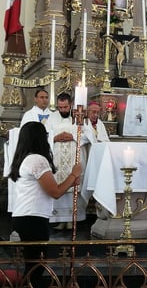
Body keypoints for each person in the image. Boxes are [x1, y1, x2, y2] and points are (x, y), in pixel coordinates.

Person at [9, 122, 81, 286]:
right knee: (36, 267)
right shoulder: (37, 160)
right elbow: (55, 192)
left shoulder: (25, 158)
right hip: (32, 218)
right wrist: (73, 174)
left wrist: (71, 181)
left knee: (32, 264)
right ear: (40, 138)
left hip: (24, 215)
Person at [46, 93, 87, 230]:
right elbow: (44, 134)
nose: (62, 110)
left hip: (73, 158)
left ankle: (71, 219)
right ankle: (59, 219)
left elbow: (88, 135)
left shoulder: (79, 117)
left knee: (73, 184)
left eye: (65, 107)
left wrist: (73, 136)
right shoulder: (52, 118)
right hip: (57, 159)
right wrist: (54, 137)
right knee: (59, 184)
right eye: (60, 107)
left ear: (71, 105)